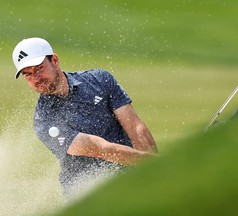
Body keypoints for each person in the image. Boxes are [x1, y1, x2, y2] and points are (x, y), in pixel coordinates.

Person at [12, 37, 158, 198]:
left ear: (54, 60)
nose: (36, 78)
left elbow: (136, 127)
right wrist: (156, 165)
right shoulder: (45, 121)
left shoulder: (100, 80)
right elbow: (102, 150)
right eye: (28, 74)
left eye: (39, 68)